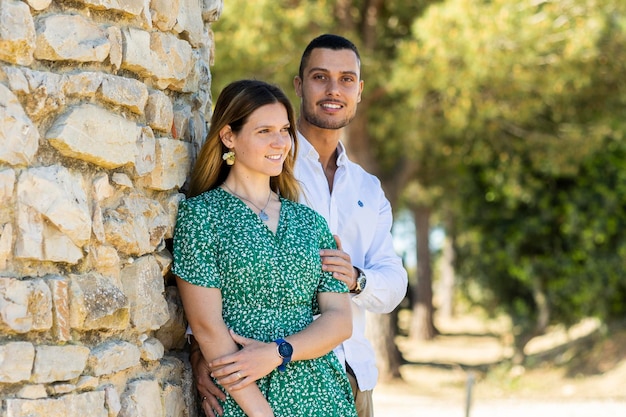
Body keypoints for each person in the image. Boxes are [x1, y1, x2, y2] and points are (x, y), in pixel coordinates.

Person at [190, 34, 408, 417]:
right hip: (248, 387)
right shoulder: (215, 208)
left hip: (345, 376)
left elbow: (389, 282)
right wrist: (199, 351)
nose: (334, 89)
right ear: (300, 85)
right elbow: (210, 310)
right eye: (320, 76)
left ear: (360, 89)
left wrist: (356, 278)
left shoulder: (364, 190)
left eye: (346, 79)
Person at [173, 79, 358, 417]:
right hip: (247, 399)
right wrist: (262, 414)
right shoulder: (201, 216)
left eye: (285, 130)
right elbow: (207, 328)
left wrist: (278, 352)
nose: (280, 142)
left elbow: (340, 320)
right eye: (264, 131)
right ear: (229, 136)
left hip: (322, 396)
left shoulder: (310, 222)